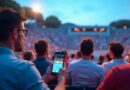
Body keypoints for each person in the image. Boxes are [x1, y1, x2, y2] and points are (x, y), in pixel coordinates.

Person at [0, 9, 65, 90]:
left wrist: (46, 78)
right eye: (23, 31)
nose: (24, 36)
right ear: (15, 33)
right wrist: (61, 79)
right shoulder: (24, 68)